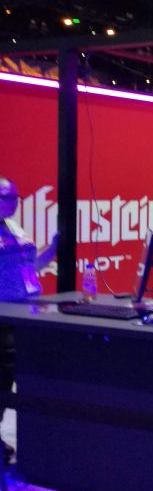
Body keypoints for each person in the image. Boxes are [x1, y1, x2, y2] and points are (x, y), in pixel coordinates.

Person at [0, 177, 58, 465]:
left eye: (15, 197)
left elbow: (31, 266)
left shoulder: (13, 228)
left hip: (27, 315)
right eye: (6, 197)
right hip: (5, 318)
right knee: (4, 380)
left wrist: (54, 248)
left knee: (21, 379)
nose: (13, 202)